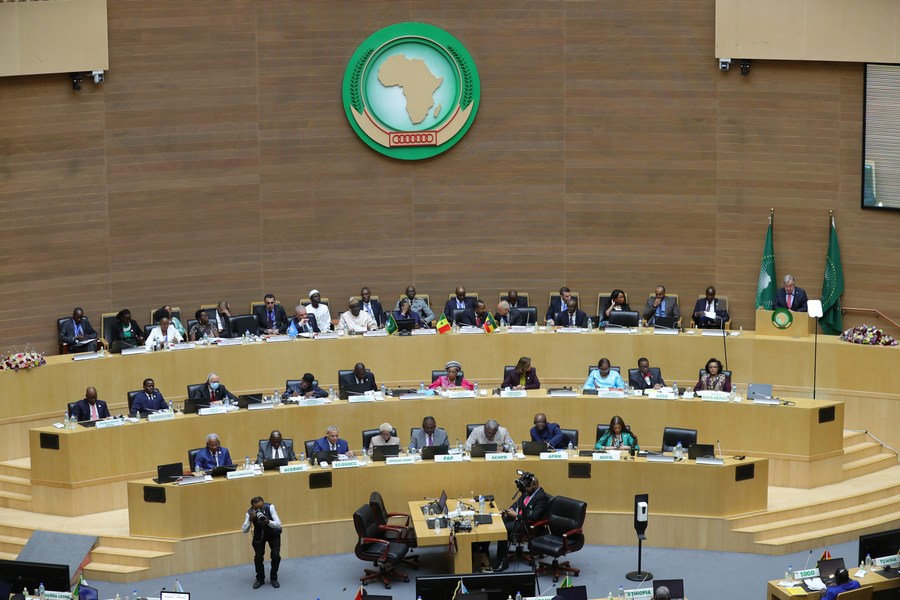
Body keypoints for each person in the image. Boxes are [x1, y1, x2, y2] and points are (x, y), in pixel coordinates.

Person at [491, 472, 550, 572]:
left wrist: (516, 515)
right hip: (518, 518)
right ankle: (495, 554)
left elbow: (534, 517)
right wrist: (508, 511)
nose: (526, 489)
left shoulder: (541, 497)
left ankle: (503, 561)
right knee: (498, 522)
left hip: (527, 524)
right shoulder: (528, 492)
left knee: (503, 529)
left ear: (535, 485)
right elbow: (516, 504)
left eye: (528, 487)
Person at [242, 496, 283, 589]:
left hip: (273, 534)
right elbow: (244, 530)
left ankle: (274, 578)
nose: (259, 510)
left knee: (276, 555)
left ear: (264, 504)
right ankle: (260, 579)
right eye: (256, 508)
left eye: (261, 507)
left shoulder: (270, 507)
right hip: (259, 535)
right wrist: (250, 520)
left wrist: (268, 522)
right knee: (258, 557)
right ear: (252, 507)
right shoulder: (249, 513)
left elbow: (278, 523)